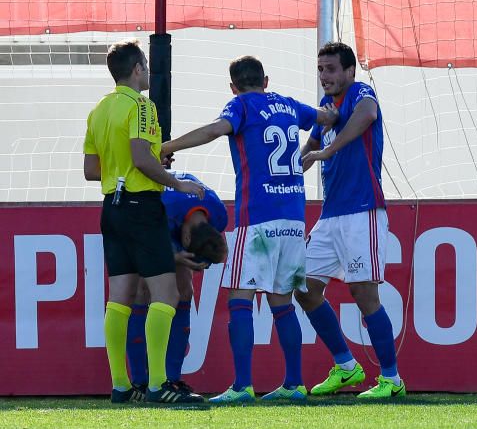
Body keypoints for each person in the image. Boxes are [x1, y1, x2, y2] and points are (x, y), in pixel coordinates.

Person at [162, 56, 337, 404]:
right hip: (293, 218)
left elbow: (215, 130)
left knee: (239, 299)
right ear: (266, 80)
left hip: (258, 217)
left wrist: (169, 146)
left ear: (233, 87)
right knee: (281, 301)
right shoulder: (288, 105)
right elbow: (324, 116)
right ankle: (294, 384)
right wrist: (331, 113)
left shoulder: (240, 105)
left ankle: (242, 386)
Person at [83, 39, 206, 404]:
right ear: (137, 69)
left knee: (119, 298)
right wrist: (175, 182)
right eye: (146, 67)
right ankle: (157, 385)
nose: (148, 73)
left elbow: (92, 170)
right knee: (166, 293)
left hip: (112, 207)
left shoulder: (99, 109)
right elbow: (140, 157)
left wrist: (144, 162)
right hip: (141, 205)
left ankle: (121, 386)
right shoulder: (142, 106)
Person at [295, 42, 404, 400]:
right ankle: (346, 366)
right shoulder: (326, 111)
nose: (324, 76)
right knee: (304, 287)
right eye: (320, 69)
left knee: (364, 293)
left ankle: (391, 379)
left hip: (363, 210)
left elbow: (369, 114)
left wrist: (328, 149)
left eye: (330, 69)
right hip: (330, 216)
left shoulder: (361, 93)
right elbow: (304, 151)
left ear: (349, 71)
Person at [125, 169, 228, 394]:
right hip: (139, 214)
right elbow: (139, 246)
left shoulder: (219, 214)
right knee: (142, 290)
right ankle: (140, 383)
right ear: (188, 238)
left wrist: (200, 260)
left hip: (174, 223)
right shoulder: (165, 207)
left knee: (184, 291)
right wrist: (173, 256)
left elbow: (220, 249)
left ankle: (171, 379)